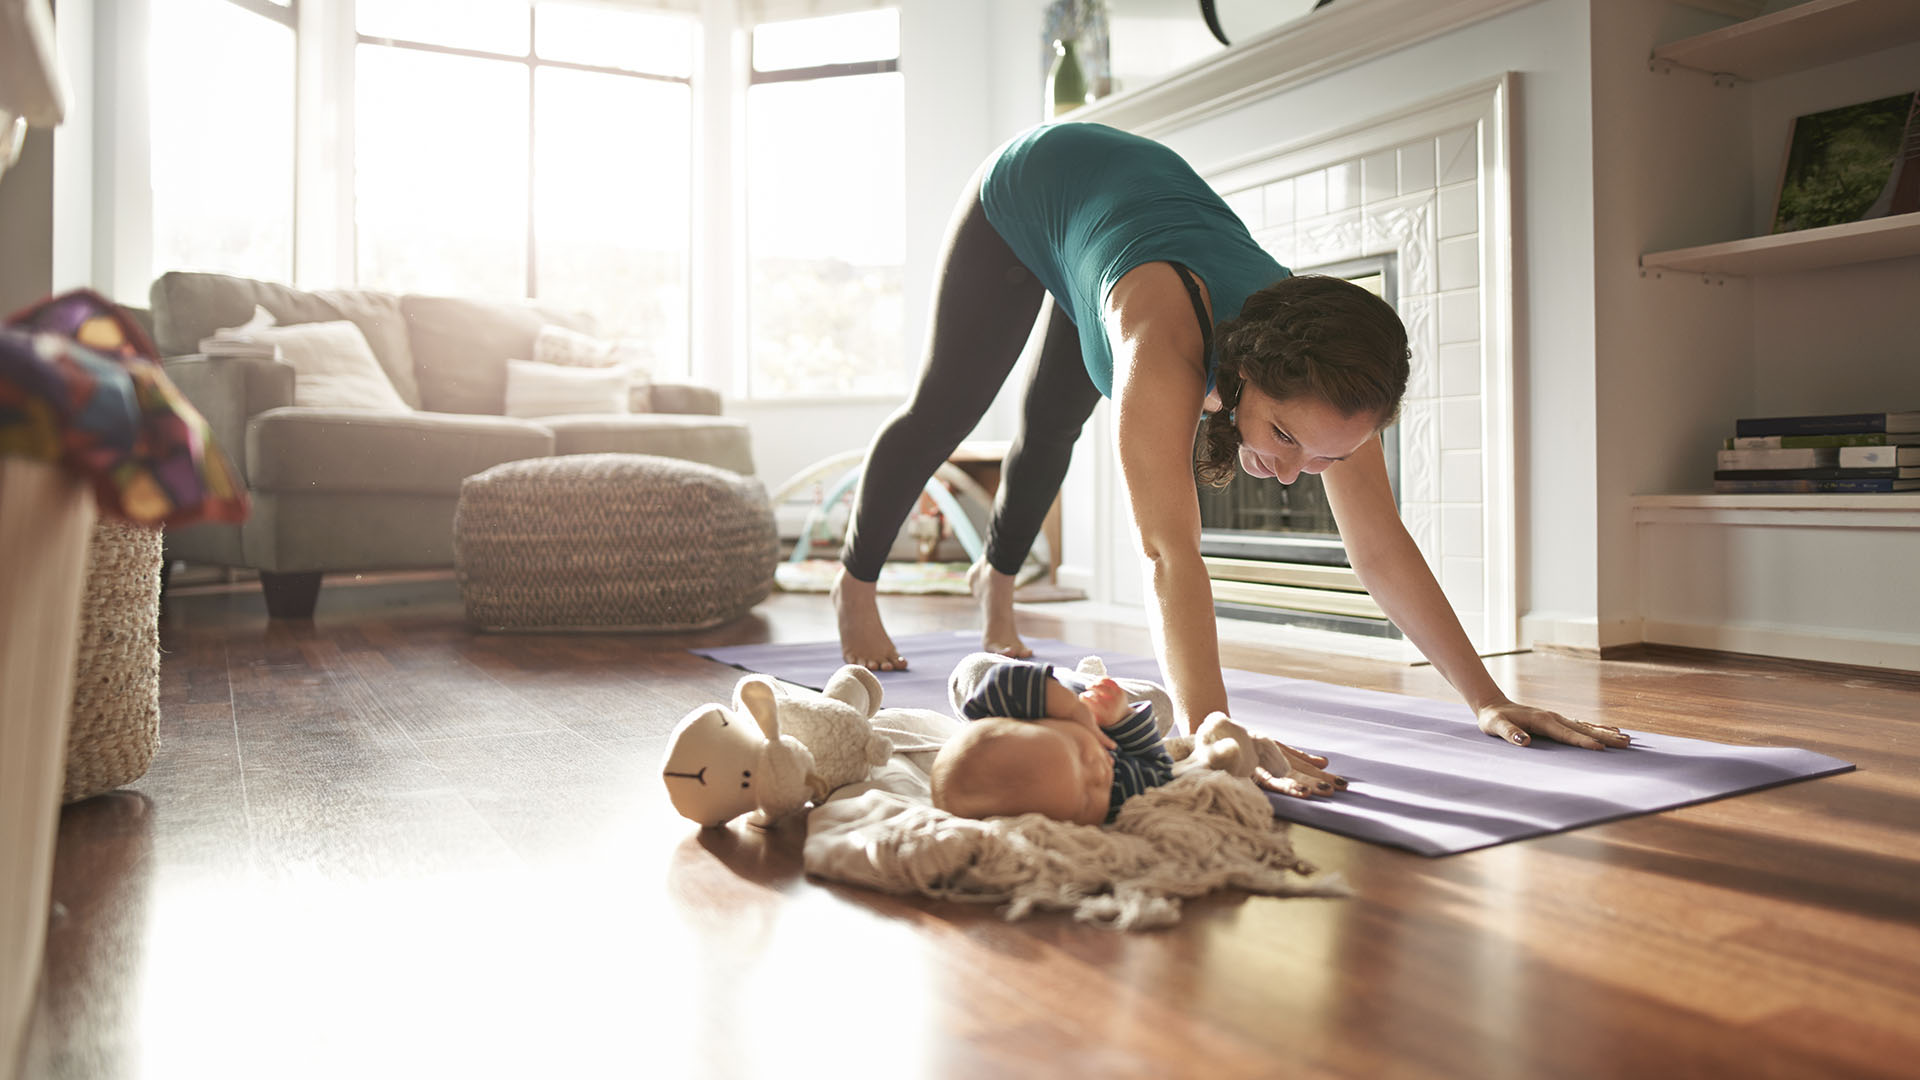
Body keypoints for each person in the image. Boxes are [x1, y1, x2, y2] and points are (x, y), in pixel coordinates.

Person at [834, 122, 1629, 791]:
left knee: (1051, 432)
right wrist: (1215, 730)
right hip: (1036, 188)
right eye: (1284, 439)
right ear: (1241, 374)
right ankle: (853, 585)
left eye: (1321, 457)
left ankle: (994, 592)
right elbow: (1166, 554)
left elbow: (1379, 547)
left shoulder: (1333, 382)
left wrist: (1487, 699)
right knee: (949, 410)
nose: (1291, 473)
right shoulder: (1160, 340)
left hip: (1121, 218)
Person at [931, 658, 1170, 826]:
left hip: (1054, 693)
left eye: (1080, 751)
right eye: (1086, 801)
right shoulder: (1115, 793)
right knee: (1160, 703)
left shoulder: (1013, 720)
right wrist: (1121, 718)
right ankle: (1086, 675)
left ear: (1034, 723)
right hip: (1108, 705)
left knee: (974, 668)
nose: (1099, 771)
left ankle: (1064, 679)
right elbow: (1159, 770)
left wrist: (1073, 709)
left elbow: (1002, 682)